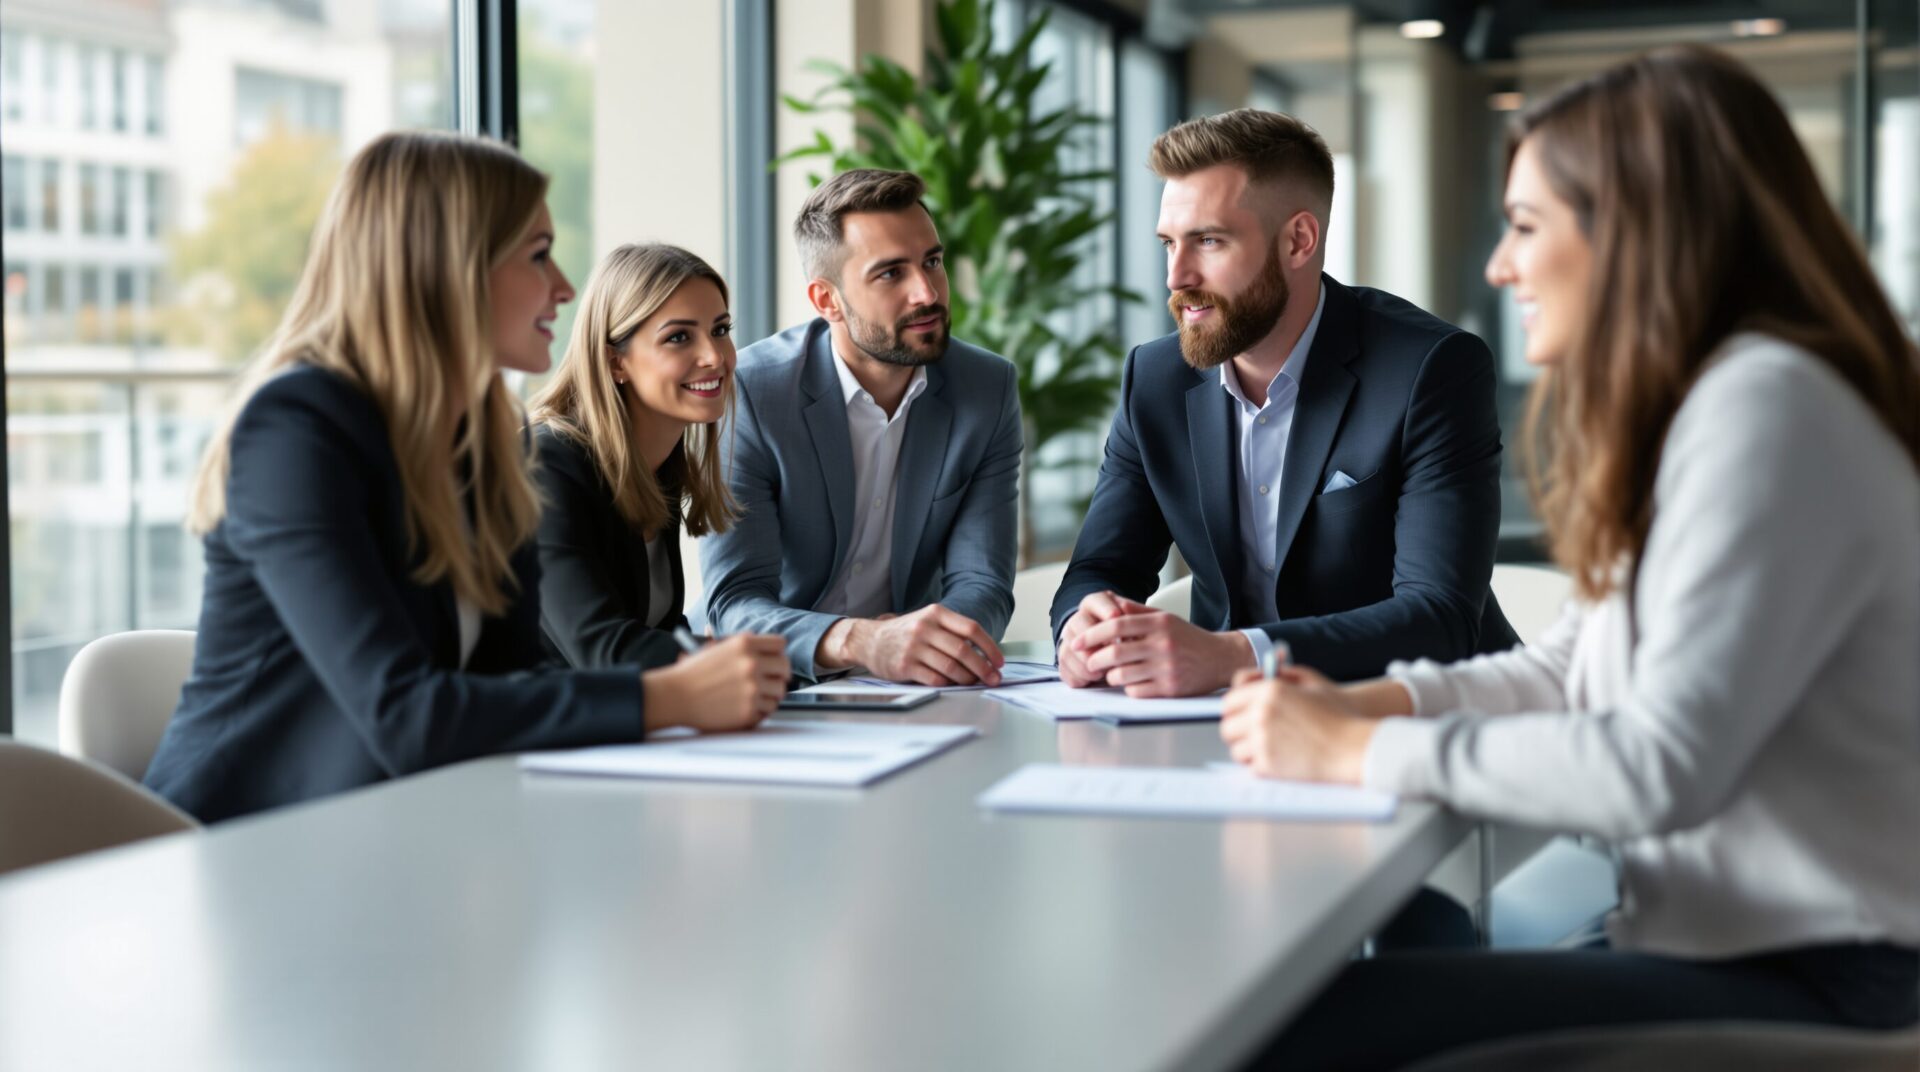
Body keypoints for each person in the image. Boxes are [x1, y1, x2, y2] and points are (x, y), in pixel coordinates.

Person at [1222, 46, 1920, 1069]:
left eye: (1526, 224)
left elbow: (1656, 766)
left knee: (1307, 1029)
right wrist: (1374, 705)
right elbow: (1569, 667)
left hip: (1827, 977)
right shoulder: (1721, 403)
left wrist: (1353, 753)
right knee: (1383, 955)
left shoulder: (1767, 409)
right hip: (1725, 939)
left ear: (1638, 231)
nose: (1500, 266)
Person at [143, 133, 789, 823]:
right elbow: (403, 713)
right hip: (239, 839)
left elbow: (512, 682)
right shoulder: (296, 428)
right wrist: (672, 696)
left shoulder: (488, 439)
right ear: (446, 268)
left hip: (398, 824)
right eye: (537, 255)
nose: (564, 288)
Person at [1050, 108, 1516, 698]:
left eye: (1208, 241)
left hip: (1419, 713)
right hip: (1223, 720)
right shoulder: (1155, 378)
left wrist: (1234, 655)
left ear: (1298, 240)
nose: (1176, 276)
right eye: (1169, 243)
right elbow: (1101, 568)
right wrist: (1082, 625)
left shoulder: (1430, 369)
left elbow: (1439, 616)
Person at [700, 168, 1022, 686]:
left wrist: (930, 644)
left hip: (906, 685)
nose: (927, 293)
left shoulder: (986, 389)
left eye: (932, 262)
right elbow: (735, 602)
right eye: (891, 273)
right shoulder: (753, 393)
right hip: (769, 684)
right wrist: (862, 641)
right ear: (826, 301)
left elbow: (983, 582)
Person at [528, 243, 741, 670]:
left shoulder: (658, 466)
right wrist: (744, 658)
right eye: (679, 337)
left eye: (720, 329)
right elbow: (601, 649)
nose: (714, 356)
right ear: (615, 362)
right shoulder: (543, 467)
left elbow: (658, 630)